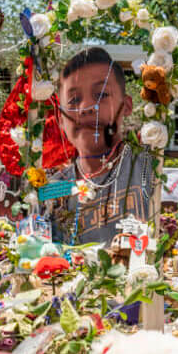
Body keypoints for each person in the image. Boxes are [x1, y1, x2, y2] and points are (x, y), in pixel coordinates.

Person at [44, 47, 156, 246]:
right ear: (61, 119)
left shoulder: (149, 168)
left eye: (101, 94)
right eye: (74, 99)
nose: (86, 108)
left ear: (127, 106)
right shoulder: (54, 185)